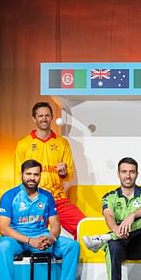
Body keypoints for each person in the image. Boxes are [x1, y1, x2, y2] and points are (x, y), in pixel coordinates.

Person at [0, 159, 80, 280]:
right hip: (17, 239)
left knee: (72, 246)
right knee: (3, 247)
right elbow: (4, 228)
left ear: (40, 176)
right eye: (28, 174)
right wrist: (29, 240)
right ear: (21, 174)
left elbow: (55, 224)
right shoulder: (9, 196)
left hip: (42, 236)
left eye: (36, 174)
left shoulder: (47, 196)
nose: (32, 178)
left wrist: (52, 237)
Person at [83, 158, 141, 280]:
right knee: (112, 245)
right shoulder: (109, 197)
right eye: (124, 172)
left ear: (137, 174)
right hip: (121, 242)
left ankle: (103, 238)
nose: (128, 176)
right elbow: (108, 216)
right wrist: (116, 231)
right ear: (118, 174)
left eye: (131, 172)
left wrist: (132, 216)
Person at [14, 101, 85, 238]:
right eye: (40, 116)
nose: (44, 119)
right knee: (25, 237)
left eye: (47, 115)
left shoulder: (62, 143)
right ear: (34, 118)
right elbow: (18, 175)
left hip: (58, 199)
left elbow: (69, 175)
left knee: (84, 227)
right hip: (33, 200)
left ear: (52, 117)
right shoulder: (23, 144)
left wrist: (64, 173)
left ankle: (79, 257)